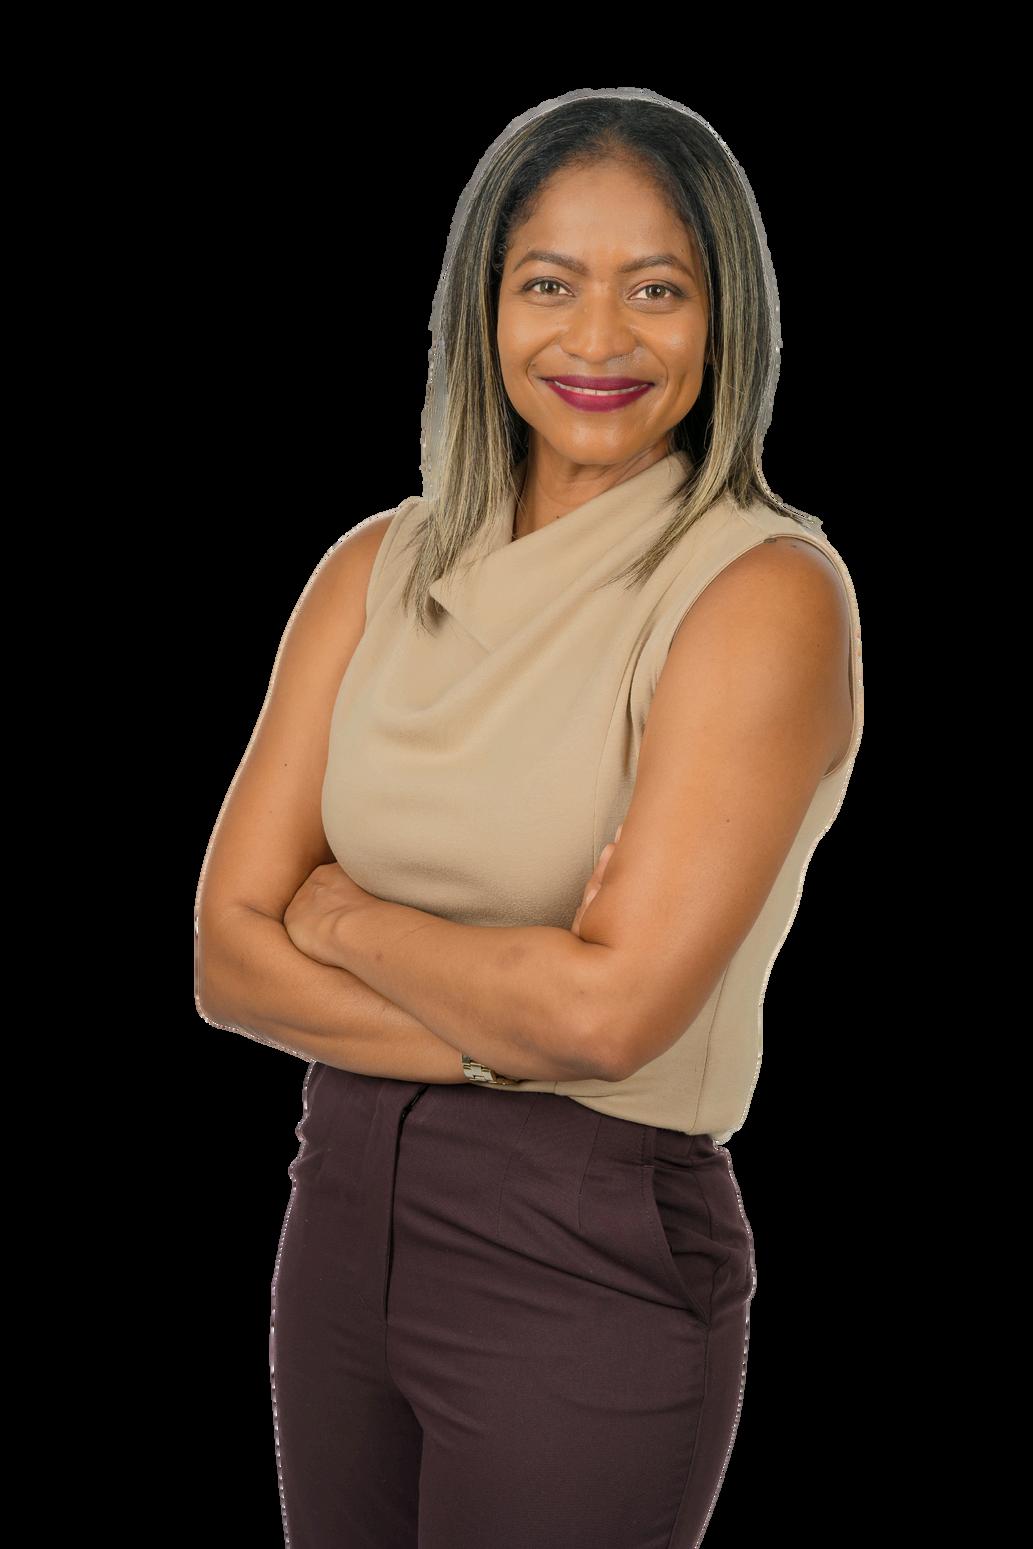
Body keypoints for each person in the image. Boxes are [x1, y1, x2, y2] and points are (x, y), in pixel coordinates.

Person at [195, 88, 863, 1549]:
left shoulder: (756, 594)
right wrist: (516, 1010)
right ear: (482, 308)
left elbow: (607, 1021)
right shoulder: (375, 567)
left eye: (657, 289)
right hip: (338, 1202)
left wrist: (340, 916)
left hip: (584, 1244)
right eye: (549, 284)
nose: (598, 339)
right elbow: (227, 959)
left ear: (725, 318)